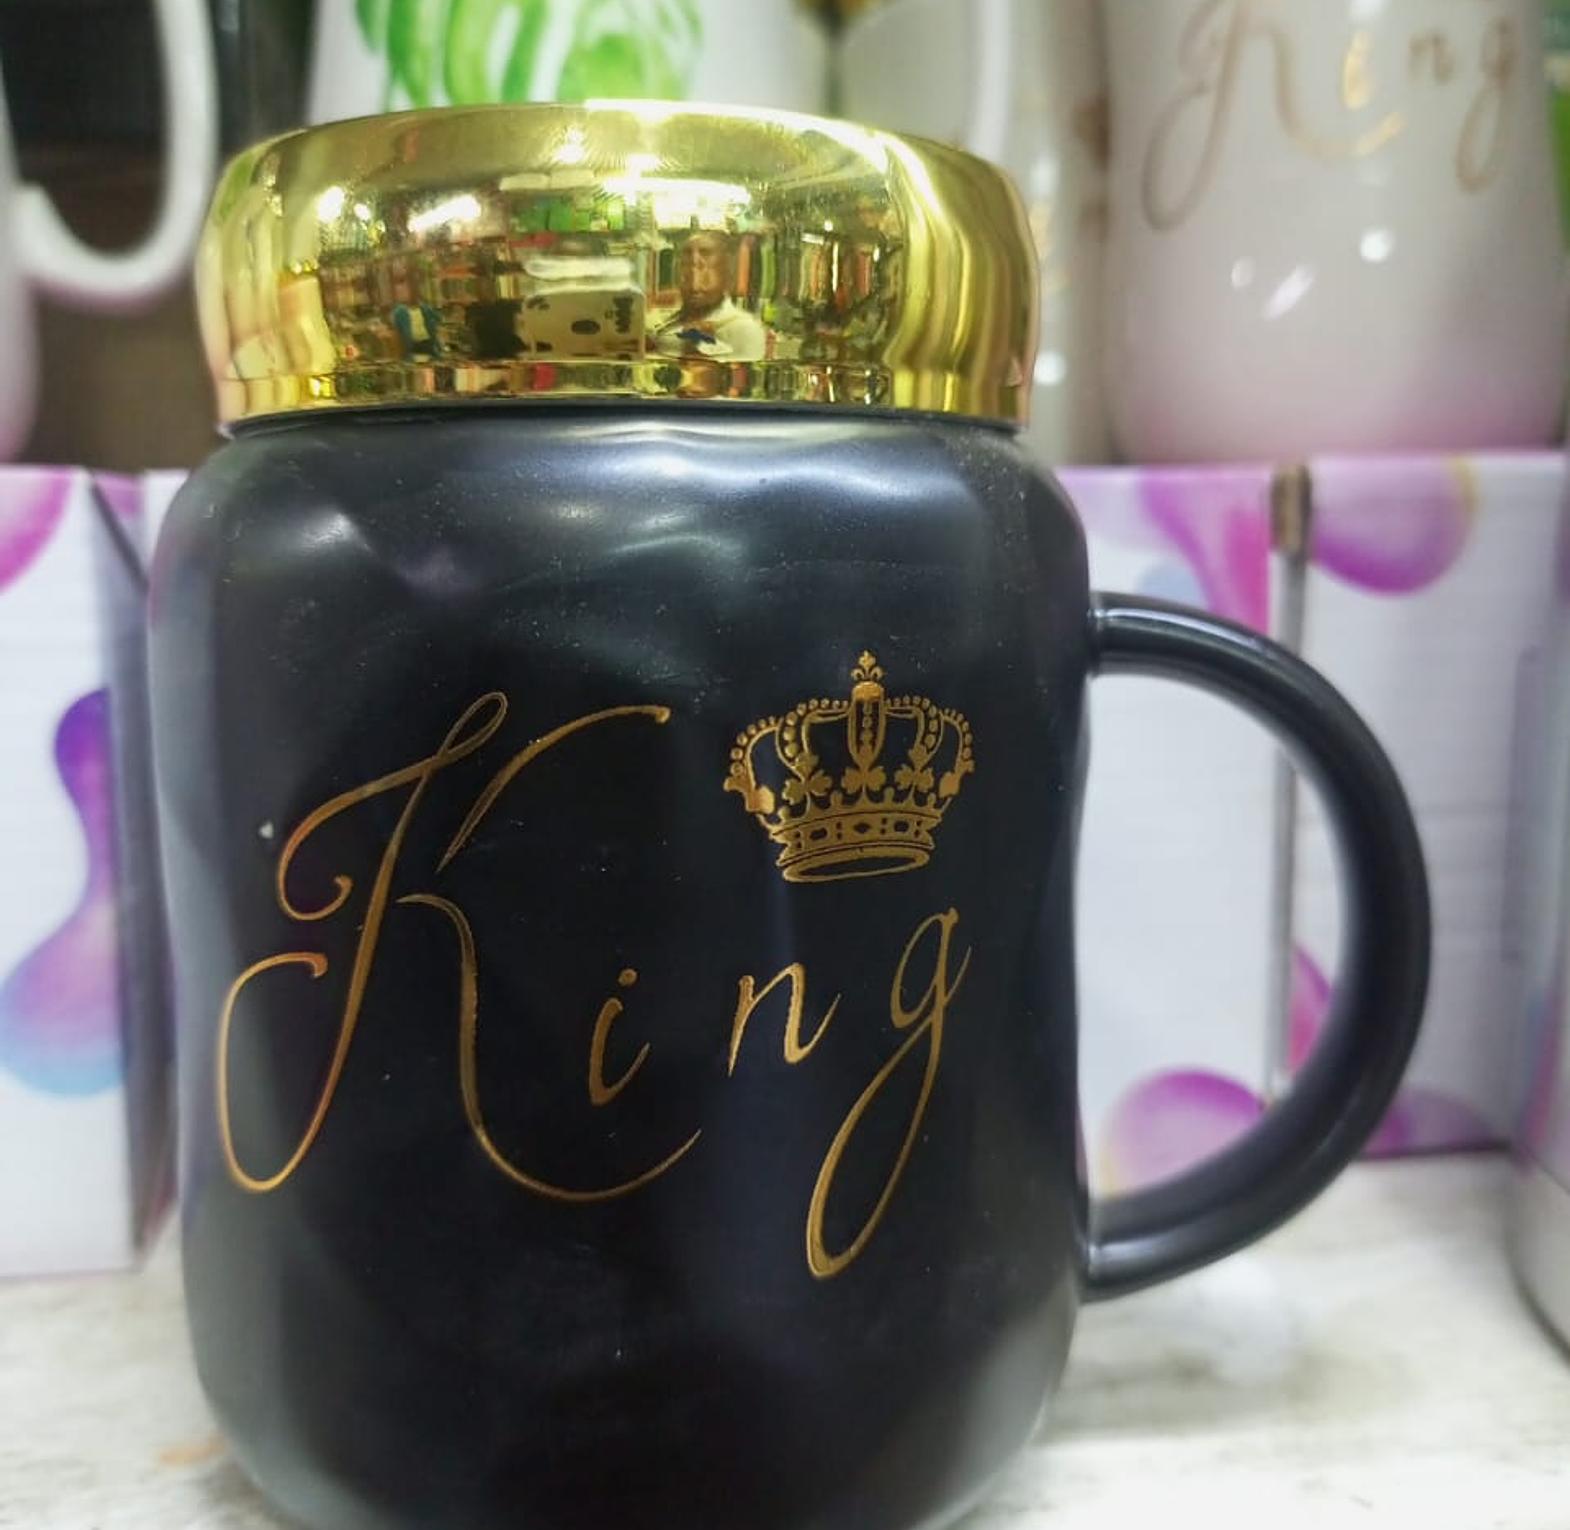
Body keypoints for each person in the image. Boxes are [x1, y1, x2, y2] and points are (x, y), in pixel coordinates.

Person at [653, 232, 766, 363]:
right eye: (687, 256)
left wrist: (697, 345)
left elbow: (738, 374)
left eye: (705, 254)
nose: (694, 283)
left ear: (726, 271)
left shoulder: (744, 329)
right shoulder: (667, 323)